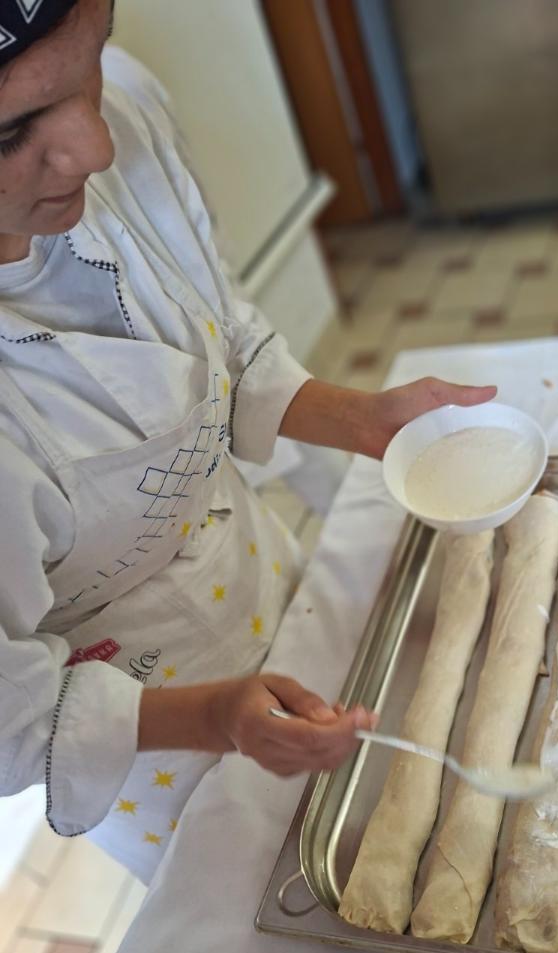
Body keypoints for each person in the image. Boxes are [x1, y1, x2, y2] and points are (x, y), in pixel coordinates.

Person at [0, 0, 495, 882]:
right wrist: (212, 717)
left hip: (261, 573)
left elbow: (217, 329)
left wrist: (358, 419)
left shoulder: (127, 109)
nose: (96, 147)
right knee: (264, 892)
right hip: (151, 735)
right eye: (10, 132)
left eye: (94, 61)